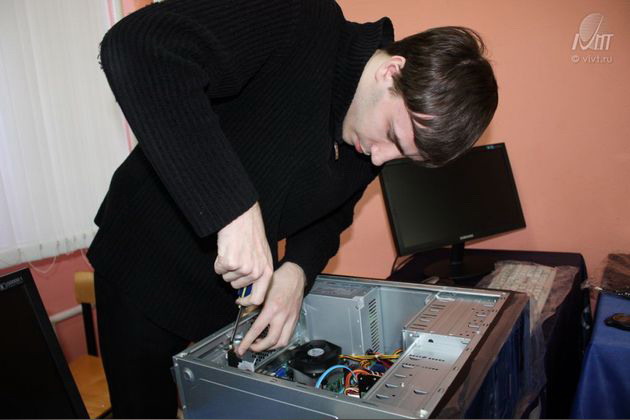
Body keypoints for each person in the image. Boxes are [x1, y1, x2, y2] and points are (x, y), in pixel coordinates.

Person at [88, 0, 498, 417]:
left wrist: (297, 270)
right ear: (391, 71)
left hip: (225, 292)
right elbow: (137, 47)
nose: (379, 158)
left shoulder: (368, 142)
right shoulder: (300, 19)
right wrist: (233, 209)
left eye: (400, 156)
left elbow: (332, 213)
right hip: (144, 265)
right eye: (392, 134)